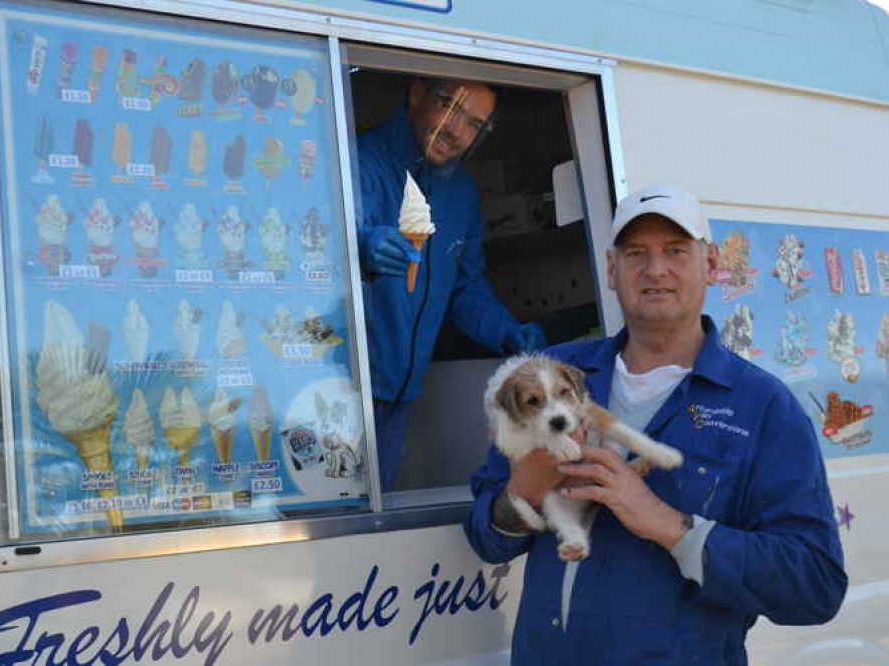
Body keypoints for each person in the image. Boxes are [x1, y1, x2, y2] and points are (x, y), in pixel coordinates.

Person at [464, 183, 847, 665]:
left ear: (711, 266)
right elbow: (484, 535)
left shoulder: (764, 407)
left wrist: (672, 526)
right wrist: (522, 496)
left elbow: (815, 585)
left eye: (676, 251)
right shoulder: (552, 377)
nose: (655, 269)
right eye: (635, 253)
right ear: (611, 269)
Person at [356, 78, 546, 490]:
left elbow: (466, 287)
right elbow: (309, 255)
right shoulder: (357, 161)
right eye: (450, 106)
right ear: (416, 92)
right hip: (340, 394)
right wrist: (359, 250)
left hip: (400, 399)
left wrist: (507, 332)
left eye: (474, 124)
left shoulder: (460, 192)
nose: (457, 131)